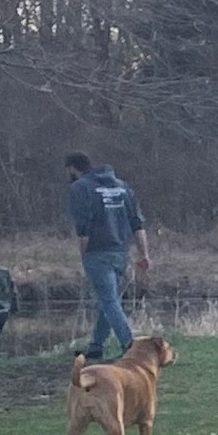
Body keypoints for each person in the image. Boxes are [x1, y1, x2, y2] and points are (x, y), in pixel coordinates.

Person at [62, 153, 150, 361]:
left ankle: (130, 346)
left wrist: (84, 257)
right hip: (121, 252)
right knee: (107, 300)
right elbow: (137, 224)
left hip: (97, 252)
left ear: (72, 168)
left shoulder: (80, 188)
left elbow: (82, 228)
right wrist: (143, 254)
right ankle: (96, 346)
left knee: (108, 301)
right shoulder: (123, 187)